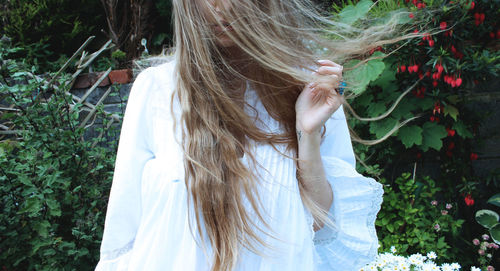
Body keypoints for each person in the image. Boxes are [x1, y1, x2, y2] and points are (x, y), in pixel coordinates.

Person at [95, 0, 402, 270]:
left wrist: (306, 133)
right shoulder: (157, 90)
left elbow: (325, 233)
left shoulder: (308, 89)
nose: (222, 6)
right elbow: (122, 240)